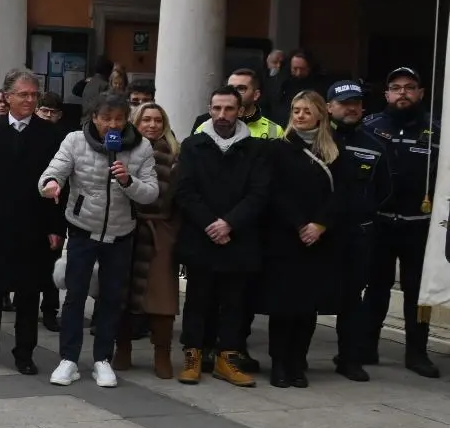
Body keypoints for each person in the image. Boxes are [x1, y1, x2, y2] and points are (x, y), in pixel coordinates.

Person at [37, 94, 159, 388]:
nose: (112, 125)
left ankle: (103, 359)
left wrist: (129, 181)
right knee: (75, 295)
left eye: (119, 119)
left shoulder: (141, 147)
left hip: (121, 233)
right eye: (107, 119)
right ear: (94, 118)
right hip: (82, 230)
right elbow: (53, 172)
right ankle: (68, 360)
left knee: (112, 298)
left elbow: (152, 193)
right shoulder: (75, 141)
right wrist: (50, 185)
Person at [0, 70, 64, 374]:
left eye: (34, 95)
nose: (30, 100)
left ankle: (24, 353)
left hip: (33, 226)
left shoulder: (49, 135)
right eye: (23, 94)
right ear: (7, 97)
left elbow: (60, 184)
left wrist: (55, 227)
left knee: (28, 292)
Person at [174, 86, 269, 388]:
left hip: (239, 238)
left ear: (241, 111)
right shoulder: (193, 146)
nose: (222, 115)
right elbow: (185, 191)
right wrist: (211, 224)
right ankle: (193, 356)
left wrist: (229, 223)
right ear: (209, 109)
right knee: (198, 300)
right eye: (216, 108)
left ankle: (228, 359)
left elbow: (259, 193)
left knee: (234, 302)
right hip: (202, 237)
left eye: (229, 109)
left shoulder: (256, 149)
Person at [260, 91, 341, 388]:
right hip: (286, 238)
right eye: (296, 110)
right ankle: (279, 363)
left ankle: (298, 362)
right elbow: (275, 192)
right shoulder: (279, 149)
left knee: (307, 307)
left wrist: (320, 224)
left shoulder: (334, 150)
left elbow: (341, 194)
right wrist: (299, 224)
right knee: (283, 307)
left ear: (321, 114)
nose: (300, 116)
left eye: (307, 111)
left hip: (320, 240)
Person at [363, 67, 440, 378]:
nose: (403, 93)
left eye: (410, 87)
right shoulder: (369, 126)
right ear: (387, 94)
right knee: (376, 287)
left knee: (417, 293)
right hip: (380, 223)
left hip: (419, 225)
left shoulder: (438, 130)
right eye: (396, 88)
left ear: (420, 93)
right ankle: (366, 347)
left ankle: (417, 353)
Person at [325, 80, 389, 379]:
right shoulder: (316, 140)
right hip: (319, 231)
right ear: (328, 107)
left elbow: (384, 189)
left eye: (356, 102)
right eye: (343, 102)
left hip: (356, 233)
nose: (350, 108)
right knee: (305, 294)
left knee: (352, 299)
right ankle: (292, 358)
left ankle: (349, 358)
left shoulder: (374, 145)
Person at [117, 103, 181, 378]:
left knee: (163, 297)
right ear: (136, 122)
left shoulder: (175, 154)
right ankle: (123, 348)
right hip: (128, 228)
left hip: (160, 231)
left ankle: (162, 353)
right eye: (146, 120)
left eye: (158, 120)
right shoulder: (124, 149)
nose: (152, 125)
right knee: (122, 292)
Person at [35, 92, 68, 333]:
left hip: (54, 208)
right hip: (29, 208)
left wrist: (57, 226)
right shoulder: (30, 133)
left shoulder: (64, 139)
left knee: (51, 263)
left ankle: (50, 310)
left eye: (52, 112)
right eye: (44, 111)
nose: (48, 116)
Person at [193, 69, 283, 141]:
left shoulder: (273, 130)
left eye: (241, 88)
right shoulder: (204, 123)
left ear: (256, 95)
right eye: (230, 88)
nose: (234, 92)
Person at [264, 50, 288, 125]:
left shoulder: (287, 79)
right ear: (268, 62)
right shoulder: (260, 78)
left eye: (282, 63)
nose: (278, 66)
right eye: (274, 62)